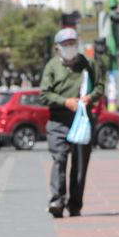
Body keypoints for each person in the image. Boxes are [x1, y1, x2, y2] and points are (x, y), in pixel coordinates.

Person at [39, 28, 104, 218]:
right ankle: (57, 200)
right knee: (59, 159)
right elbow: (44, 94)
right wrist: (65, 102)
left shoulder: (88, 64)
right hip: (58, 121)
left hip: (82, 121)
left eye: (73, 43)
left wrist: (89, 98)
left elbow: (100, 86)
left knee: (80, 164)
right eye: (66, 45)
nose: (70, 48)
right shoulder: (52, 67)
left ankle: (75, 204)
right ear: (57, 48)